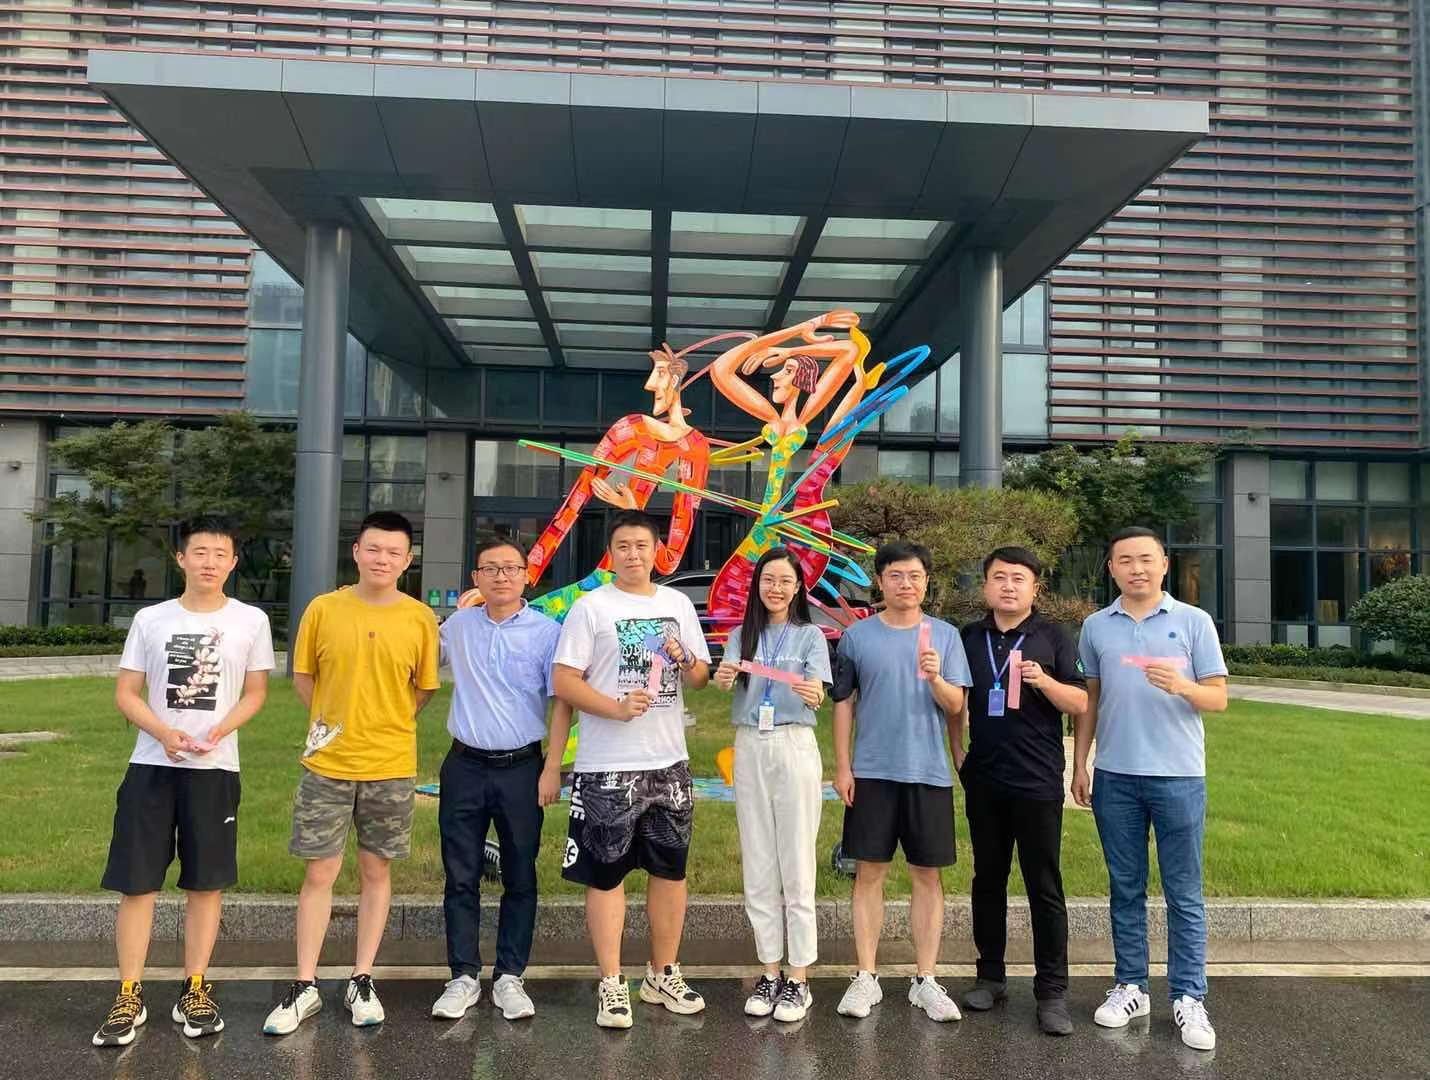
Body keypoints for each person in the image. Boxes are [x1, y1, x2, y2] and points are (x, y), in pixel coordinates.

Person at [93, 515, 275, 1047]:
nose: (209, 562)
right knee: (137, 883)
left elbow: (256, 693)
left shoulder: (251, 620)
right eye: (200, 552)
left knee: (205, 883)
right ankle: (129, 992)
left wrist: (219, 730)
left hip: (215, 771)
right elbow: (126, 692)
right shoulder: (151, 619)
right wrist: (163, 732)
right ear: (181, 558)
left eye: (220, 554)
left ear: (233, 562)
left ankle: (195, 987)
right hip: (152, 767)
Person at [263, 511, 440, 1036]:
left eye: (394, 552)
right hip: (328, 764)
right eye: (374, 549)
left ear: (407, 561)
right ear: (357, 551)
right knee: (319, 872)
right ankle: (304, 983)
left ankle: (362, 977)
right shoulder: (324, 609)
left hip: (390, 764)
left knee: (375, 871)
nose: (382, 559)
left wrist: (386, 721)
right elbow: (304, 677)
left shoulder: (419, 618)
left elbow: (423, 689)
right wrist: (332, 723)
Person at [550, 509, 712, 1029]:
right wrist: (615, 709)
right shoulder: (591, 608)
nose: (633, 554)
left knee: (670, 872)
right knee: (607, 875)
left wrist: (685, 658)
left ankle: (663, 973)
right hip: (607, 767)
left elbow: (701, 677)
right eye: (623, 546)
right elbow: (564, 681)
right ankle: (612, 981)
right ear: (611, 552)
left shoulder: (677, 604)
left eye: (642, 545)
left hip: (668, 763)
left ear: (657, 550)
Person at [1071, 526, 1228, 1051]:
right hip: (1115, 775)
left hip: (1179, 775)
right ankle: (1131, 986)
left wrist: (1183, 686)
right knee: (1125, 886)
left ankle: (1188, 995)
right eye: (1125, 560)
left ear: (1164, 564)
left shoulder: (1193, 621)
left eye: (1145, 559)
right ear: (1111, 569)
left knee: (1184, 891)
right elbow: (1090, 700)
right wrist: (1080, 764)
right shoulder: (1096, 626)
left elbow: (1218, 698)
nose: (1136, 568)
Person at [830, 540, 972, 1022]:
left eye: (914, 575)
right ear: (881, 581)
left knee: (926, 874)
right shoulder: (857, 638)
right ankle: (865, 975)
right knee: (868, 872)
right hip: (871, 771)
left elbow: (956, 706)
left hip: (927, 771)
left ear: (926, 582)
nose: (905, 584)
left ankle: (925, 979)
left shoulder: (945, 637)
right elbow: (844, 705)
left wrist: (935, 679)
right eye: (895, 575)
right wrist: (843, 766)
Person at [430, 537, 568, 1022]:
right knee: (460, 874)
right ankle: (463, 976)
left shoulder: (548, 633)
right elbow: (414, 656)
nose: (501, 576)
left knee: (520, 874)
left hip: (522, 769)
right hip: (464, 766)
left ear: (526, 576)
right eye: (490, 568)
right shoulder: (458, 627)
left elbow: (562, 703)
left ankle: (510, 975)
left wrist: (552, 767)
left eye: (511, 568)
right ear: (476, 578)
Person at [951, 547, 1088, 1036]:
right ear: (986, 585)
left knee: (1043, 884)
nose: (1008, 586)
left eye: (1018, 579)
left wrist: (1044, 681)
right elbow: (955, 698)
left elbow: (1080, 701)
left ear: (1035, 588)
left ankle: (1052, 991)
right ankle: (990, 976)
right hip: (985, 777)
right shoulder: (970, 637)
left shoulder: (1054, 636)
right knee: (987, 879)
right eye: (999, 578)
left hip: (1037, 779)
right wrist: (957, 750)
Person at [711, 547, 832, 1022]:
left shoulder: (810, 636)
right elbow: (726, 683)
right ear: (756, 585)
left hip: (793, 743)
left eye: (785, 581)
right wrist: (723, 677)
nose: (776, 588)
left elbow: (819, 692)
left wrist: (814, 693)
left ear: (798, 587)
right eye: (768, 580)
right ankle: (769, 971)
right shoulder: (741, 635)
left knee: (796, 861)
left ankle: (799, 978)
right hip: (750, 744)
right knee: (758, 860)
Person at [704, 310, 870, 628]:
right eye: (781, 369)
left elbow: (850, 350)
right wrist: (805, 327)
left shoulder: (796, 420)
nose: (775, 376)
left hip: (786, 525)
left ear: (803, 380)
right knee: (731, 604)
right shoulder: (773, 417)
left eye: (787, 371)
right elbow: (721, 369)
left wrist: (790, 349)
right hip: (768, 526)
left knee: (769, 603)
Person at [522, 343, 711, 620]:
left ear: (674, 380)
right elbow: (575, 501)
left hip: (633, 594)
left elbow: (669, 562)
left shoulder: (696, 447)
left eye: (659, 374)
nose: (649, 384)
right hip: (604, 578)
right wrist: (524, 575)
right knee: (533, 618)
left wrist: (633, 511)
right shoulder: (630, 427)